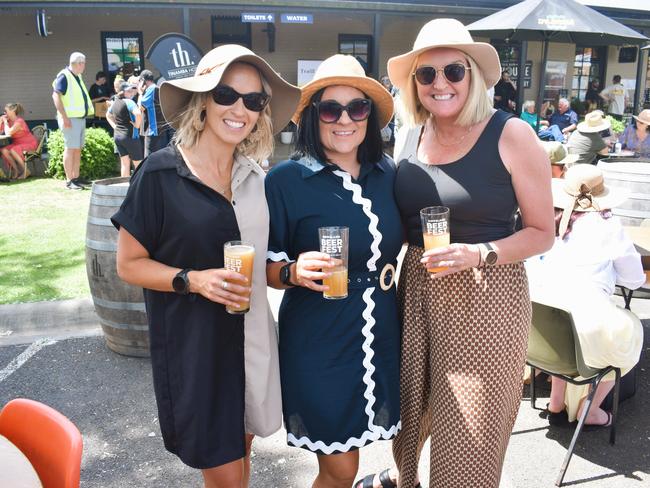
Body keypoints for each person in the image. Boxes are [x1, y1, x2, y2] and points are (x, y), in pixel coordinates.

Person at [112, 44, 300, 487]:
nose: (241, 109)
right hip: (196, 350)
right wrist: (191, 280)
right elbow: (128, 264)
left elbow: (265, 262)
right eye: (226, 95)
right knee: (227, 478)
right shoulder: (160, 175)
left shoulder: (255, 179)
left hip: (251, 342)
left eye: (254, 101)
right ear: (202, 101)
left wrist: (292, 271)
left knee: (243, 456)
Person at [387, 18, 554, 487]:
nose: (440, 83)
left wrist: (479, 253)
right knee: (407, 426)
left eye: (453, 71)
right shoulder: (410, 137)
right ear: (415, 84)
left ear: (474, 76)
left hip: (488, 299)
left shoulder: (511, 134)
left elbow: (543, 232)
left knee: (468, 448)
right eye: (427, 74)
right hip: (417, 293)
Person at [265, 54, 401, 488]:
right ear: (312, 118)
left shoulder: (388, 174)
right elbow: (263, 264)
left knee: (369, 448)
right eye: (330, 109)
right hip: (319, 335)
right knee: (340, 467)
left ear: (370, 117)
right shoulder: (286, 180)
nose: (345, 119)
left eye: (358, 108)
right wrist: (291, 271)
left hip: (381, 328)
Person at [526, 164, 645, 428]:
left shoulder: (544, 223)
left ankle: (556, 402)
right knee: (630, 333)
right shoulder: (609, 227)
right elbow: (635, 280)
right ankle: (589, 408)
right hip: (583, 333)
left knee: (560, 314)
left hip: (537, 340)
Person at [52, 52, 94, 190]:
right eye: (83, 63)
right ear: (77, 63)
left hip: (79, 118)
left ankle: (76, 178)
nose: (84, 66)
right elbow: (55, 96)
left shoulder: (77, 76)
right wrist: (64, 117)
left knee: (77, 149)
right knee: (70, 149)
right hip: (70, 119)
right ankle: (69, 181)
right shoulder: (64, 75)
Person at [106, 82, 143, 177]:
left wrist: (114, 126)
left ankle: (124, 188)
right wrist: (137, 126)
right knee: (138, 164)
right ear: (123, 92)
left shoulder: (115, 102)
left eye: (132, 91)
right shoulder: (129, 102)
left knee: (125, 164)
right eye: (129, 91)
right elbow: (138, 114)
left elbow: (108, 115)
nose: (131, 93)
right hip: (130, 136)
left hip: (118, 136)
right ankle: (138, 187)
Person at [138, 69, 171, 157]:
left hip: (153, 130)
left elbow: (140, 107)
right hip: (158, 130)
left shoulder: (151, 89)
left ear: (143, 80)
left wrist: (140, 93)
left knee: (148, 159)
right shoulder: (156, 88)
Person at [0, 102, 38, 179]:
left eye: (6, 111)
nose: (4, 113)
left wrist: (5, 122)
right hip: (17, 144)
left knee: (13, 150)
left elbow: (8, 133)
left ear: (13, 110)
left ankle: (26, 171)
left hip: (29, 143)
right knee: (4, 150)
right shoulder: (8, 121)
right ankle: (16, 171)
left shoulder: (19, 121)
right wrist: (1, 122)